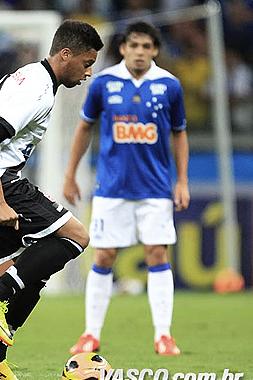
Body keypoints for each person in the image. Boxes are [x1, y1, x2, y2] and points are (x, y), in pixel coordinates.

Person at [0, 20, 103, 380]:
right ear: (65, 55)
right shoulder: (37, 90)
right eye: (86, 62)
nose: (88, 72)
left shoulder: (23, 75)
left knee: (37, 270)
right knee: (76, 237)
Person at [63, 21, 189, 357]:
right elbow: (84, 128)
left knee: (157, 255)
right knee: (104, 256)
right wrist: (70, 174)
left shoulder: (169, 85)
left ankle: (164, 335)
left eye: (146, 47)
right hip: (111, 187)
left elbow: (179, 133)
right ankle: (91, 334)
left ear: (155, 50)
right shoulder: (104, 82)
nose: (139, 52)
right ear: (123, 49)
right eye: (134, 46)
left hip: (156, 188)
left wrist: (182, 180)